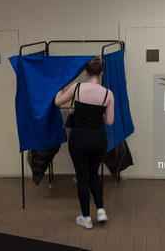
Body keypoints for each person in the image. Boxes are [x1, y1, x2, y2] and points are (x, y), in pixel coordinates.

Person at [55, 56, 114, 229]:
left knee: (82, 178)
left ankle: (86, 219)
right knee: (93, 174)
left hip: (79, 138)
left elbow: (58, 102)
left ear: (86, 72)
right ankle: (101, 210)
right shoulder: (108, 93)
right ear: (101, 73)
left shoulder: (77, 87)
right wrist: (98, 115)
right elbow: (109, 121)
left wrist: (59, 87)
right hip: (98, 139)